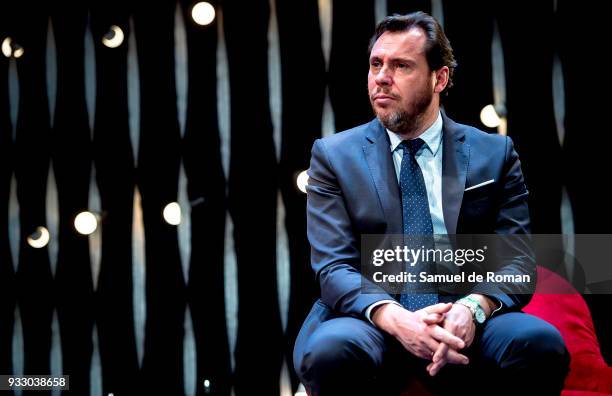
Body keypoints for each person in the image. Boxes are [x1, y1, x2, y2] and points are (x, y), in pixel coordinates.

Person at [293, 11, 570, 396]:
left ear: (439, 78)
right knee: (330, 350)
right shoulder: (333, 156)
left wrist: (472, 308)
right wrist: (396, 318)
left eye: (401, 65)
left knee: (540, 343)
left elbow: (517, 260)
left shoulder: (494, 153)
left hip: (465, 311)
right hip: (373, 317)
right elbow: (333, 265)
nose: (381, 78)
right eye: (376, 64)